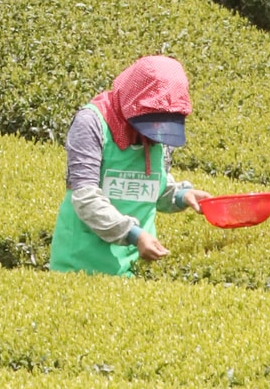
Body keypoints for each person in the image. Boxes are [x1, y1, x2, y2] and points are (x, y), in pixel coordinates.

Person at [49, 55, 209, 274]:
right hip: (80, 265)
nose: (156, 132)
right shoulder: (91, 123)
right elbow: (85, 197)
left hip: (134, 267)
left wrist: (181, 196)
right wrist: (134, 234)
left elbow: (151, 187)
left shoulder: (160, 130)